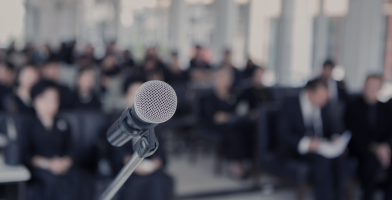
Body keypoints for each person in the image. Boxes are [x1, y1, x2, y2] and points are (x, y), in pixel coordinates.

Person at [277, 78, 346, 200]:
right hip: (295, 148)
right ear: (309, 92)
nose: (324, 101)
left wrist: (334, 137)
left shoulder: (323, 104)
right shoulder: (290, 104)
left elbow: (330, 128)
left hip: (320, 146)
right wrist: (306, 144)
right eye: (321, 96)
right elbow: (283, 134)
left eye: (326, 97)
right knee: (323, 160)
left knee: (340, 157)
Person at [111, 76, 174, 200]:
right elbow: (115, 151)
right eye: (133, 94)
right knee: (137, 184)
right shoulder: (118, 121)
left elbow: (161, 151)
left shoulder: (155, 122)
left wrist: (157, 162)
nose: (137, 99)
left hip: (151, 169)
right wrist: (131, 163)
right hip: (128, 169)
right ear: (125, 97)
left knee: (161, 182)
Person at [22, 80, 78, 200]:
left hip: (62, 166)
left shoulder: (63, 123)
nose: (50, 104)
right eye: (45, 99)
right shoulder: (28, 124)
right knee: (51, 182)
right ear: (35, 100)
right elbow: (26, 155)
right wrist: (48, 164)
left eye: (54, 100)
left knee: (77, 180)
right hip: (40, 168)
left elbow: (71, 149)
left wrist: (65, 162)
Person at [345, 75, 392, 200]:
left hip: (383, 147)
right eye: (369, 86)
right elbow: (353, 133)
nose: (371, 89)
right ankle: (367, 196)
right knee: (370, 160)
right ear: (363, 86)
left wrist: (386, 146)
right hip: (361, 148)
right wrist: (376, 148)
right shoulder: (352, 106)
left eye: (375, 87)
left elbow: (390, 132)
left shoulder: (387, 108)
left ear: (380, 88)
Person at [201, 69, 252, 179]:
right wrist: (228, 117)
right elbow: (215, 117)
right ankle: (234, 163)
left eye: (226, 80)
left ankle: (244, 159)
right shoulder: (210, 97)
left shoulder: (232, 96)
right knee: (233, 133)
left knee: (246, 128)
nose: (225, 82)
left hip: (231, 123)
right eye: (222, 80)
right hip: (214, 126)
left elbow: (237, 111)